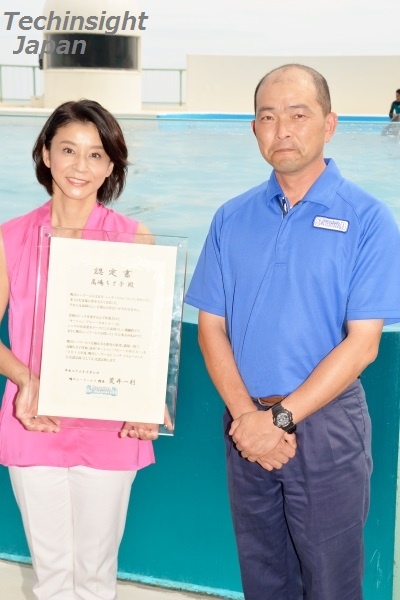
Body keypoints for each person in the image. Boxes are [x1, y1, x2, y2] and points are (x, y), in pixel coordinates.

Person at [185, 64, 400, 600]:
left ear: (329, 124)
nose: (282, 129)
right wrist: (247, 418)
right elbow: (211, 327)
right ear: (253, 129)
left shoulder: (369, 220)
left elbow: (364, 343)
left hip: (325, 429)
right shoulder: (231, 218)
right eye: (267, 116)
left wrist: (278, 420)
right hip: (246, 424)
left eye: (298, 115)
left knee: (330, 584)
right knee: (263, 578)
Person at [0, 99, 171, 600]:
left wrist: (146, 400)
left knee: (96, 576)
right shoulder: (9, 238)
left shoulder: (134, 238)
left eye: (96, 155)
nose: (81, 166)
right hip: (34, 418)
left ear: (111, 164)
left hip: (110, 424)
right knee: (52, 577)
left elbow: (148, 339)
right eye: (69, 150)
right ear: (46, 155)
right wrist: (24, 378)